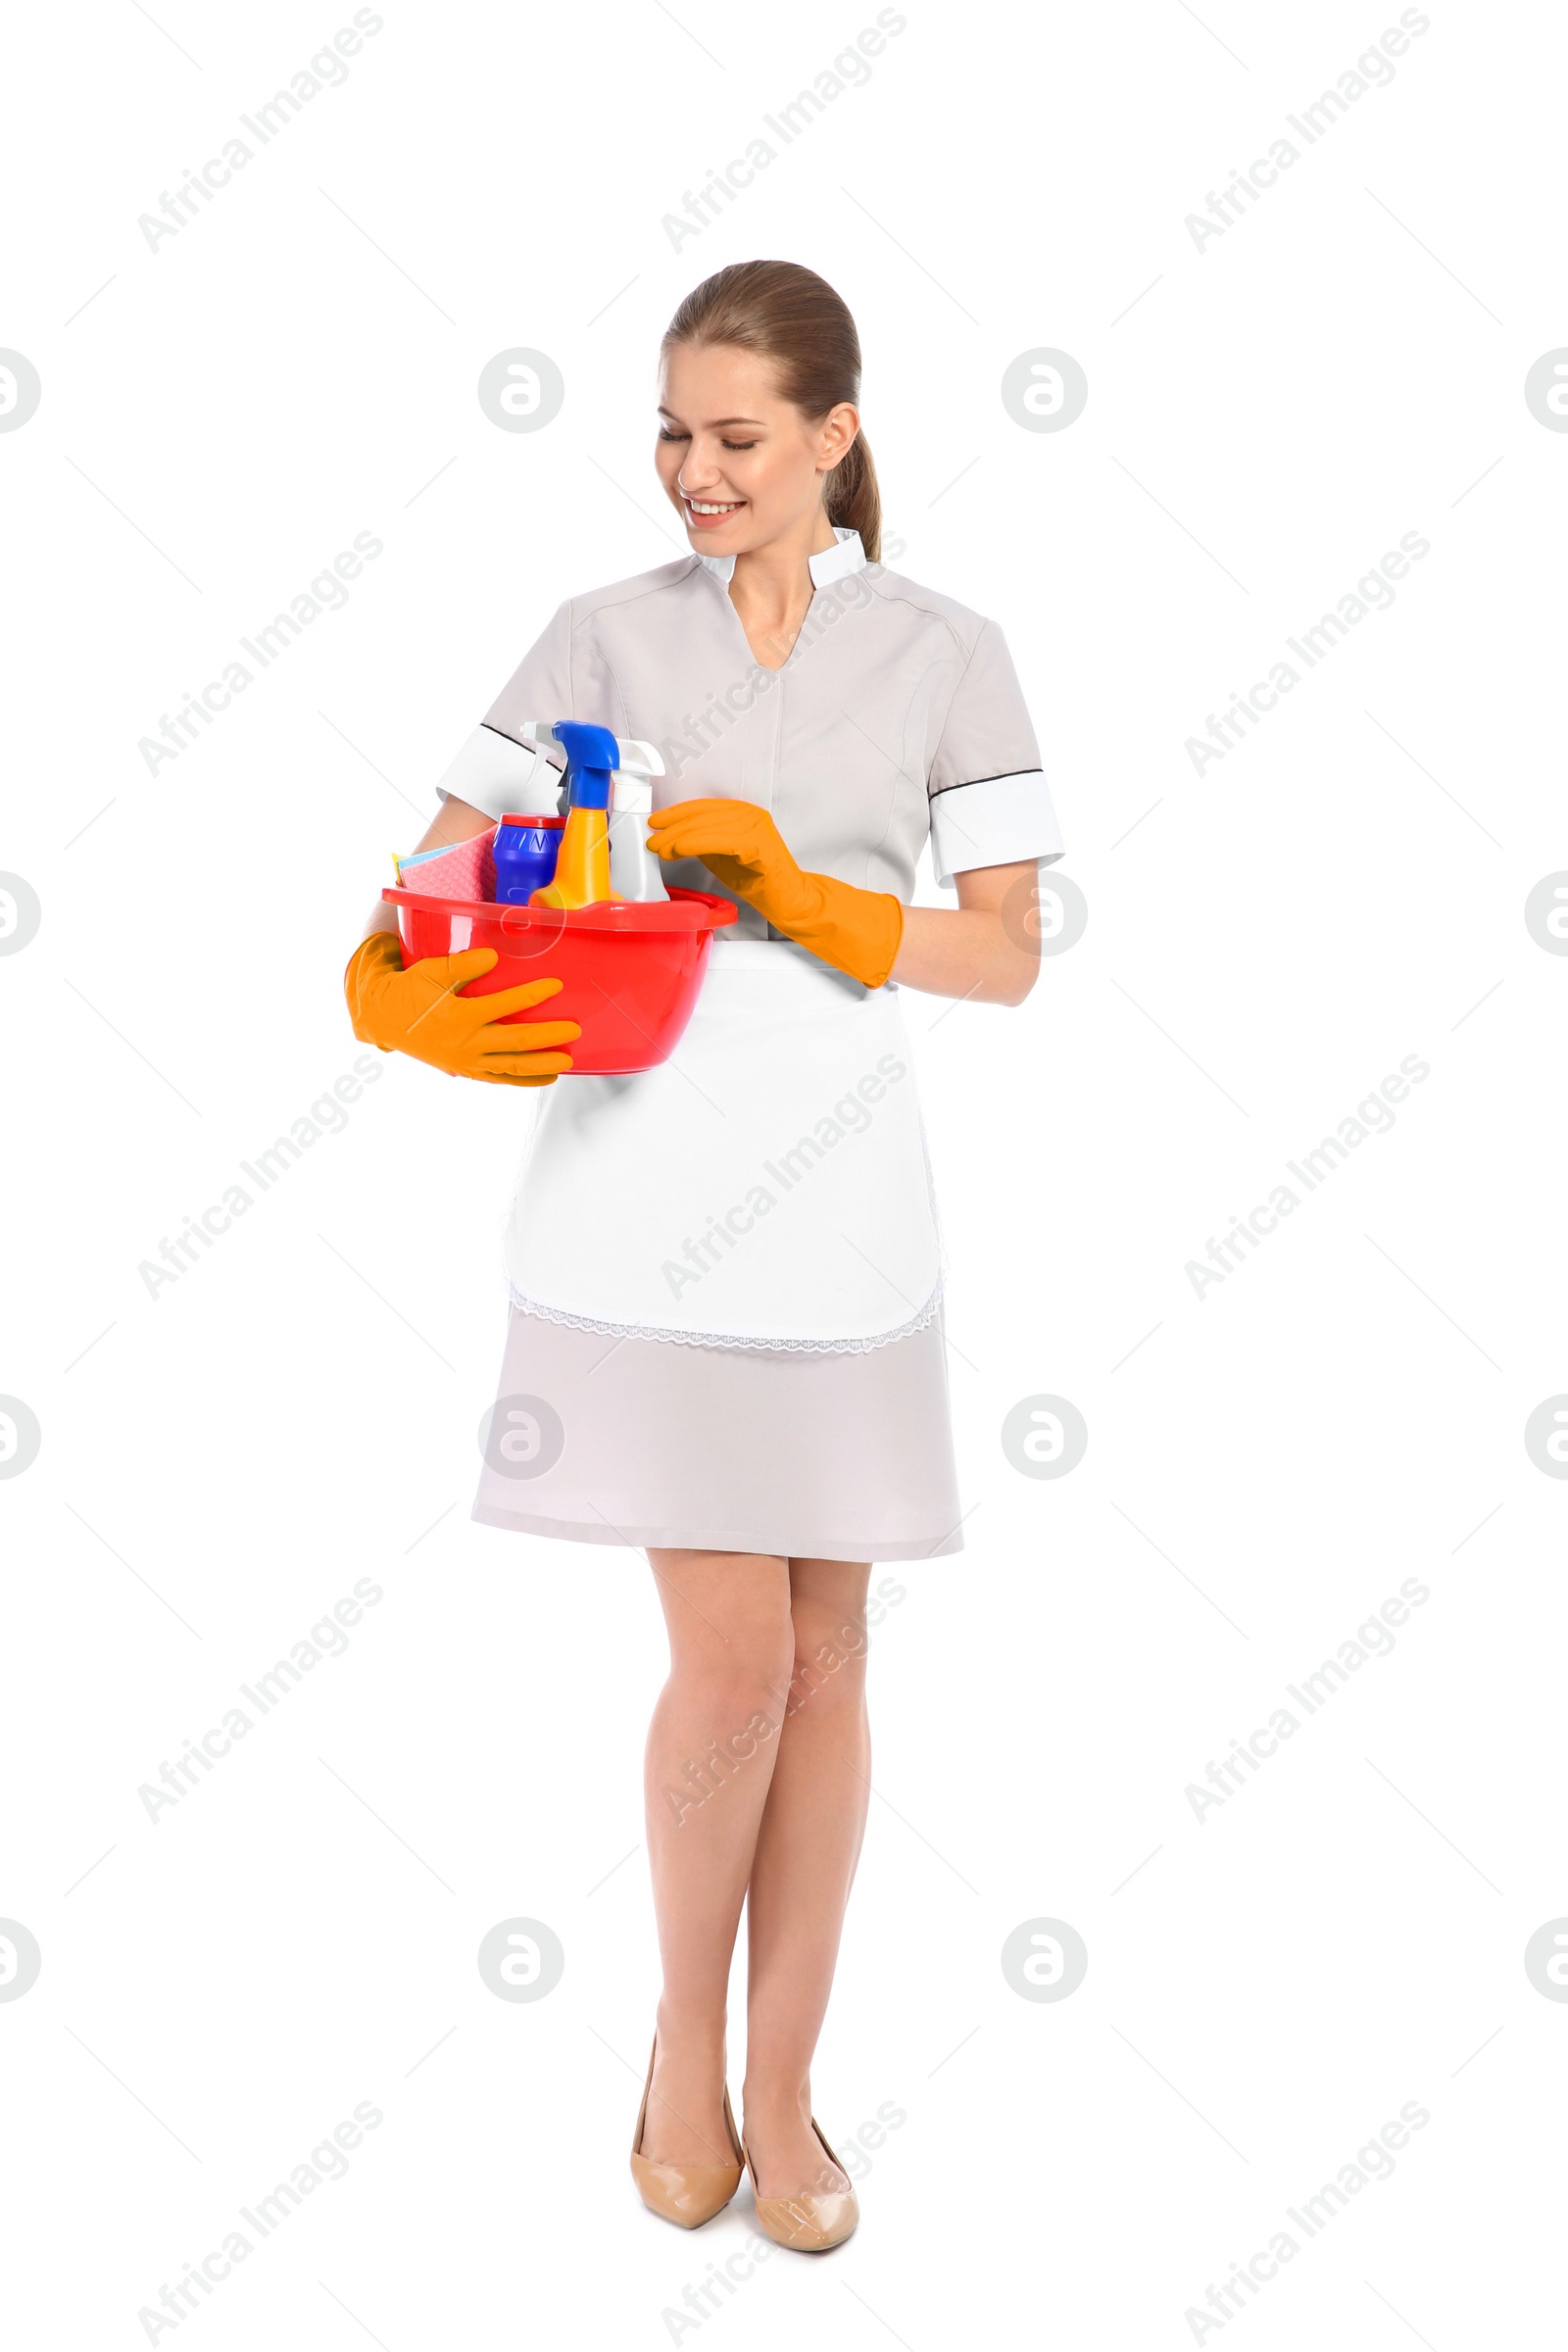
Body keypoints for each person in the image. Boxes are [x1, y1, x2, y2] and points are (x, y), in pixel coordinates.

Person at [345, 259, 1064, 2251]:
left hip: (839, 1186)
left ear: (834, 434)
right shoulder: (596, 637)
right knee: (731, 1662)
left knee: (830, 1658)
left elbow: (1003, 952)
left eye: (735, 436)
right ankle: (679, 2045)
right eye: (671, 431)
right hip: (638, 1176)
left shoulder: (945, 651)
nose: (691, 471)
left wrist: (814, 906)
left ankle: (782, 2084)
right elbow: (420, 885)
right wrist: (387, 987)